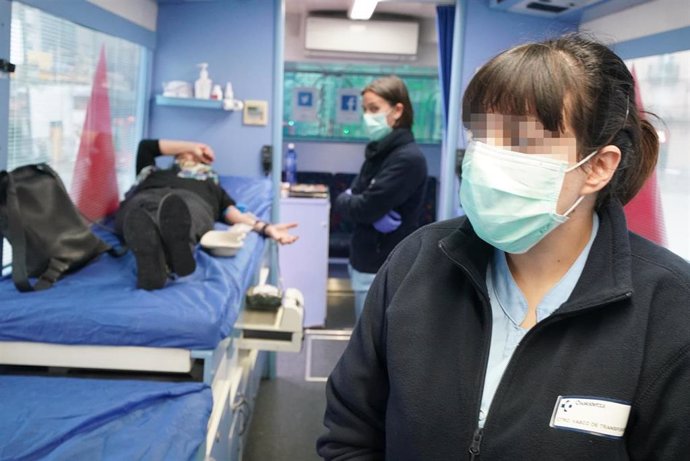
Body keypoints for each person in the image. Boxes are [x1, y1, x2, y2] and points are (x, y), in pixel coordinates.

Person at [317, 34, 690, 460]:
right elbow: (349, 434)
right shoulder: (416, 262)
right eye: (479, 135)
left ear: (598, 167)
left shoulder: (670, 308)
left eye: (521, 141)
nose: (487, 160)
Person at [115, 139, 297, 290]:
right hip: (148, 195)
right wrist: (192, 146)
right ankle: (161, 260)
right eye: (184, 153)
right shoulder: (153, 172)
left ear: (205, 164)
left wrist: (265, 227)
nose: (190, 155)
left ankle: (163, 257)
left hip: (191, 202)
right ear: (175, 157)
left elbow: (234, 214)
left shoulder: (211, 184)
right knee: (138, 213)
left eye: (195, 156)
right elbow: (146, 146)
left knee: (182, 214)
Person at [334, 75, 428, 319]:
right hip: (365, 256)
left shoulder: (407, 158)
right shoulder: (379, 151)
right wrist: (353, 201)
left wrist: (354, 201)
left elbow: (362, 206)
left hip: (383, 264)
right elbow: (350, 201)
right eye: (365, 109)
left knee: (373, 348)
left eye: (374, 109)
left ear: (398, 110)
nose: (367, 116)